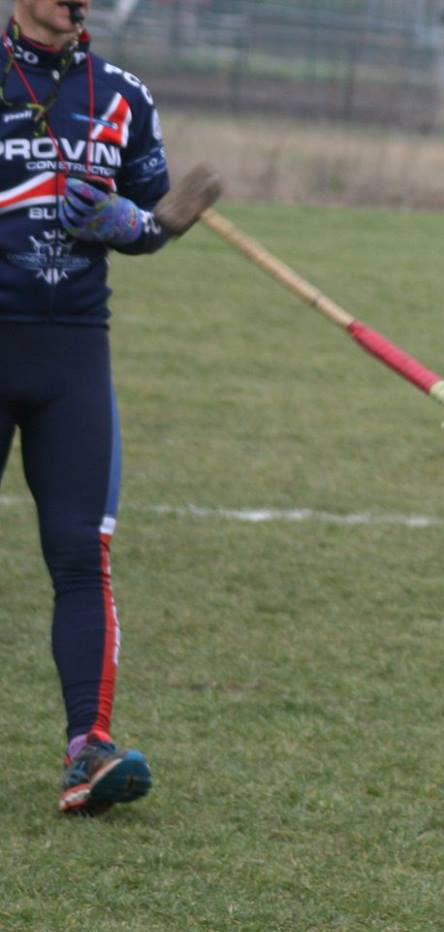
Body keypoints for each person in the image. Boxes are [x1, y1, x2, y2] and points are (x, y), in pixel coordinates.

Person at [2, 0, 178, 814]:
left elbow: (158, 216)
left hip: (75, 349)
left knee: (81, 552)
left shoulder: (123, 95)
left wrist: (128, 223)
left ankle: (89, 751)